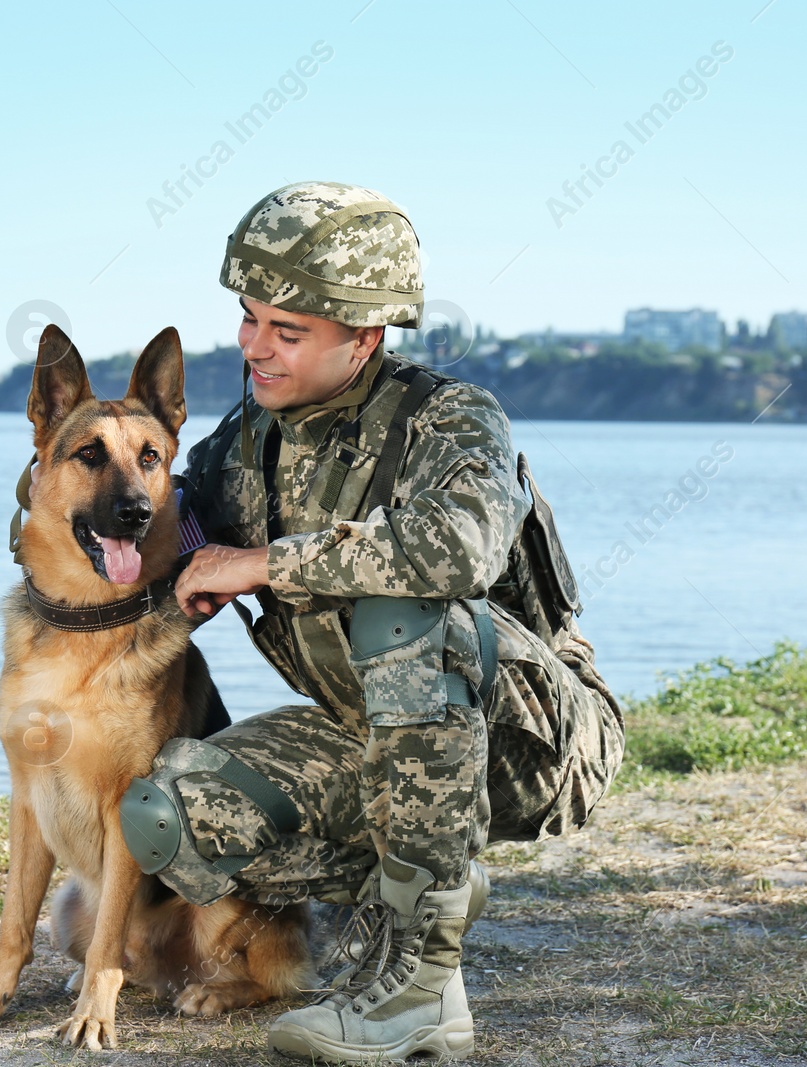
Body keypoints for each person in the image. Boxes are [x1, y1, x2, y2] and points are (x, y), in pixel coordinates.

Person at [114, 181, 626, 1063]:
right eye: (248, 319)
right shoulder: (247, 443)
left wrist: (261, 562)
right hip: (372, 735)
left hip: (531, 738)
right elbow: (164, 519)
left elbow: (451, 550)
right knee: (169, 815)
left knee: (401, 614)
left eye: (288, 330)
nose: (253, 347)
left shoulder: (451, 419)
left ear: (363, 338)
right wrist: (80, 505)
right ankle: (435, 888)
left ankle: (421, 991)